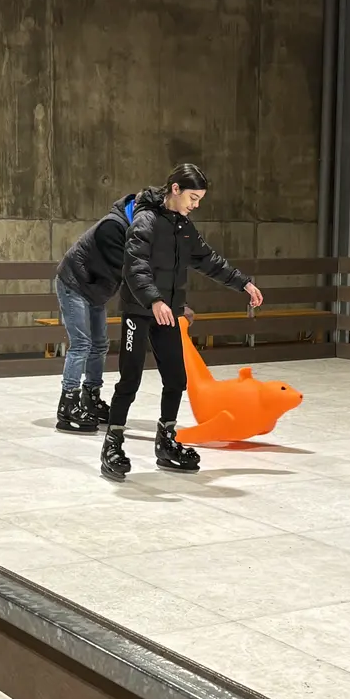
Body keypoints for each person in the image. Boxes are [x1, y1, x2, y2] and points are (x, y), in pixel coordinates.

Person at [99, 164, 262, 482]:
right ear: (175, 188)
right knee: (129, 380)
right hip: (140, 310)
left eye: (200, 199)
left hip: (168, 312)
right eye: (193, 197)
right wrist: (154, 299)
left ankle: (167, 441)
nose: (196, 204)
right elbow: (135, 264)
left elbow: (209, 260)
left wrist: (244, 283)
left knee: (176, 378)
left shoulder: (183, 228)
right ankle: (113, 443)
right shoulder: (145, 219)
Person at [52, 192, 135, 432]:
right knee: (81, 343)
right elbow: (128, 269)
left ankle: (91, 397)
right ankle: (67, 404)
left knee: (100, 344)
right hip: (74, 284)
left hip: (95, 289)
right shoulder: (112, 227)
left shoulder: (132, 230)